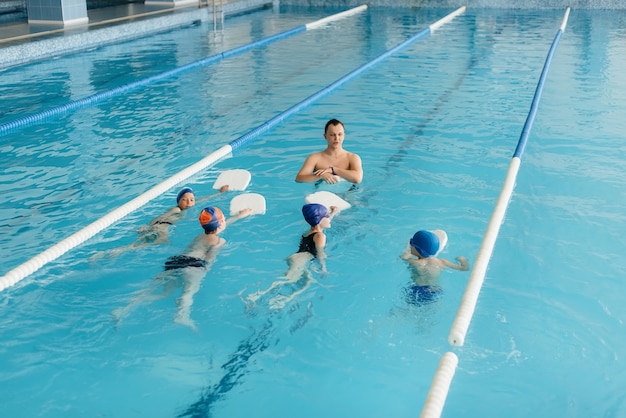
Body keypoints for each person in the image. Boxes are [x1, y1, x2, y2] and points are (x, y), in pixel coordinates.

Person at [112, 205, 252, 330]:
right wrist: (205, 270)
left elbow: (216, 227)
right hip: (193, 265)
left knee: (156, 290)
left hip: (176, 261)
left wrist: (238, 216)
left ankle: (123, 309)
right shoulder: (220, 241)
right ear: (220, 223)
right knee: (188, 292)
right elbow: (210, 258)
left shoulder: (200, 236)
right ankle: (181, 315)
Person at [91, 185, 229, 260]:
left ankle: (114, 252)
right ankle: (121, 251)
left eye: (191, 200)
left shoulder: (186, 206)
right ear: (178, 201)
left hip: (159, 226)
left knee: (142, 242)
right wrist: (152, 227)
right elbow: (163, 217)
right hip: (162, 227)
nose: (189, 203)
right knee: (159, 243)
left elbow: (202, 200)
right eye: (185, 199)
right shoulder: (176, 209)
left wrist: (219, 193)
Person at [246, 203, 339, 309]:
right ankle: (256, 296)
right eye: (327, 216)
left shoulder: (310, 231)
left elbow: (321, 222)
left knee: (305, 282)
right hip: (302, 259)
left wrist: (333, 212)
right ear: (320, 220)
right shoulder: (320, 236)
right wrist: (323, 267)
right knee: (287, 280)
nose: (329, 218)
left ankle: (279, 300)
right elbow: (320, 253)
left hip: (298, 257)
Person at [401, 229, 469, 306]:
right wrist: (463, 260)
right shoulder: (442, 262)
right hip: (435, 290)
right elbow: (463, 268)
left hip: (418, 291)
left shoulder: (415, 262)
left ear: (417, 249)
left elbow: (403, 257)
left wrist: (407, 250)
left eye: (411, 243)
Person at [295, 119, 363, 185]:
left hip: (348, 194)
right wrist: (320, 176)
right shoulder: (315, 158)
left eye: (340, 134)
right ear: (325, 136)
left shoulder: (352, 158)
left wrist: (334, 170)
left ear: (344, 136)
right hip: (322, 194)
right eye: (332, 135)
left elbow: (358, 179)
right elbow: (299, 178)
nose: (336, 138)